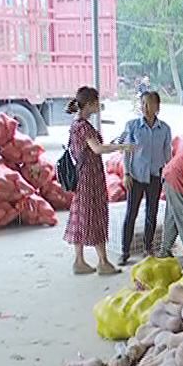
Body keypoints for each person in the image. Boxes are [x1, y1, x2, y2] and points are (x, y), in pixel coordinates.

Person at [64, 86, 134, 275]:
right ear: (88, 104)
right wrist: (122, 147)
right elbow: (97, 149)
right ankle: (103, 262)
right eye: (96, 102)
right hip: (91, 178)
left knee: (81, 216)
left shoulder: (76, 124)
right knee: (96, 216)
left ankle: (79, 261)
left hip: (82, 176)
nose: (98, 105)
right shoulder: (84, 127)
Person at [118, 91, 172, 265]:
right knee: (131, 214)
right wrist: (126, 173)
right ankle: (125, 251)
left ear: (157, 107)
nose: (145, 108)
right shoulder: (132, 126)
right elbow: (126, 151)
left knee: (152, 213)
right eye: (143, 104)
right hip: (135, 176)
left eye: (149, 104)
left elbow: (167, 154)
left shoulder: (164, 129)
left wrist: (168, 175)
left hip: (155, 176)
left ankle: (148, 248)